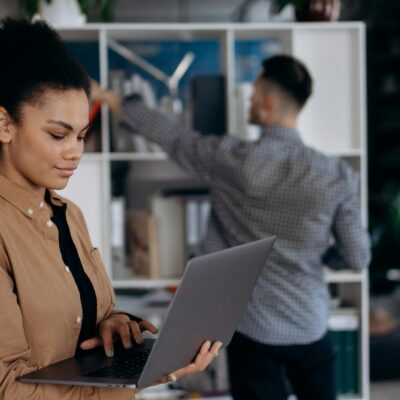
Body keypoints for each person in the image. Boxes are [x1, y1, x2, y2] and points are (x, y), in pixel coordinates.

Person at [94, 54, 371, 400]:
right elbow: (358, 257)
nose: (251, 100)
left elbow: (173, 137)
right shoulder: (337, 174)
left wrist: (112, 98)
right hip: (310, 322)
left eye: (254, 93)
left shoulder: (231, 160)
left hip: (255, 329)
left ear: (268, 101)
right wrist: (326, 258)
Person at [0, 18, 222, 400]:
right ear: (4, 125)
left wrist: (114, 325)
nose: (75, 152)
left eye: (82, 135)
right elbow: (8, 388)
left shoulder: (69, 215)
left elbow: (80, 318)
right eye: (58, 135)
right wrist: (133, 381)